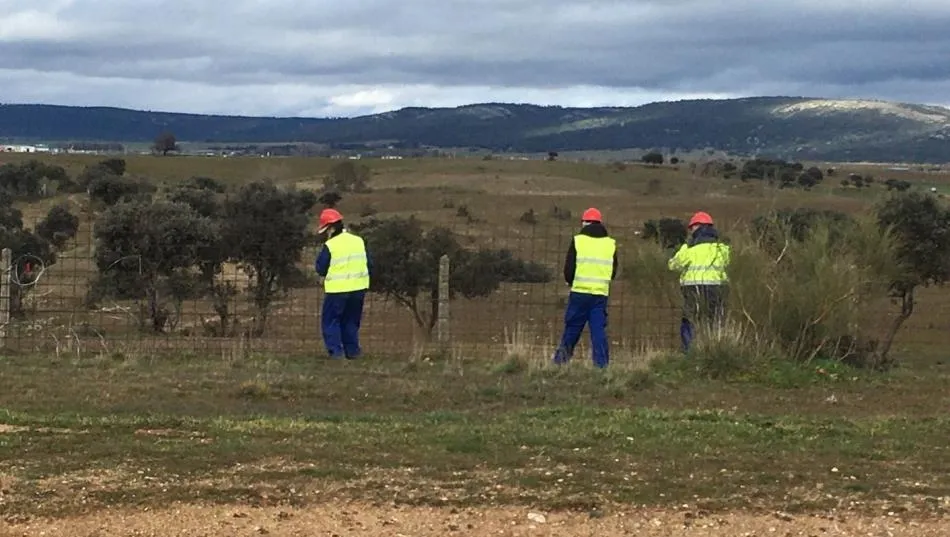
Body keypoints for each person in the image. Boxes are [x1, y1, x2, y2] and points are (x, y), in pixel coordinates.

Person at [552, 207, 618, 369]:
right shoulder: (610, 244)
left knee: (572, 328)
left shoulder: (578, 241)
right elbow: (613, 270)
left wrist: (570, 281)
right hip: (600, 294)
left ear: (584, 223)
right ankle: (601, 366)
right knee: (598, 331)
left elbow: (569, 268)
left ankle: (560, 362)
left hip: (580, 293)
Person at [668, 211, 731, 353]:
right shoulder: (722, 249)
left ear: (696, 228)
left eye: (691, 228)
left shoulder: (690, 250)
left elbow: (673, 265)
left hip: (693, 289)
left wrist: (685, 246)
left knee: (690, 321)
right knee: (715, 321)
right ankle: (715, 351)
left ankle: (690, 354)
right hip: (718, 289)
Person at [314, 208, 372, 360]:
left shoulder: (331, 245)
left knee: (331, 321)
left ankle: (336, 353)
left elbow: (320, 268)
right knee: (351, 321)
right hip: (359, 288)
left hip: (337, 290)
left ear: (331, 228)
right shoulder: (358, 241)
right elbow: (369, 263)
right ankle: (353, 352)